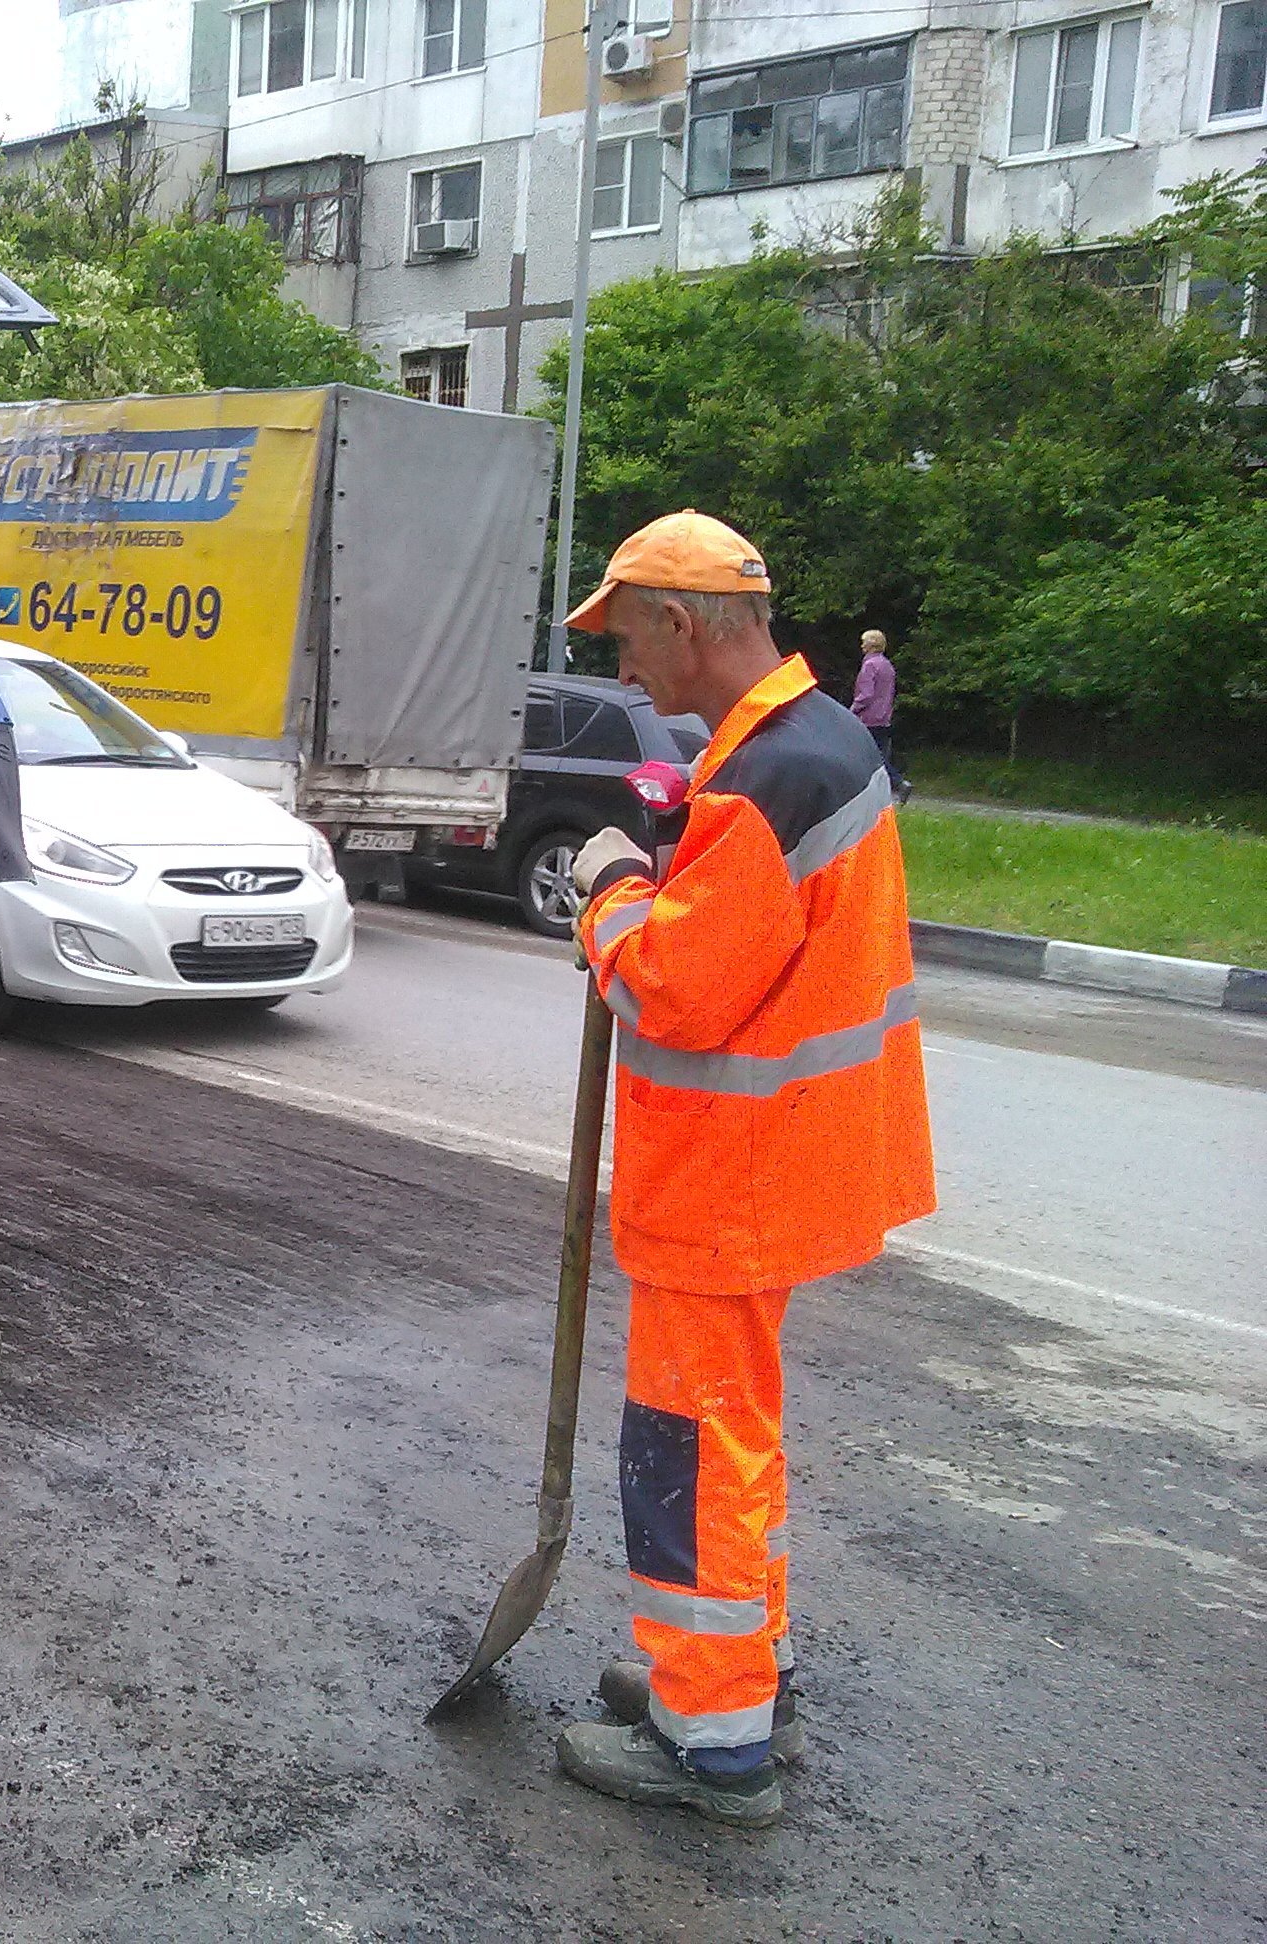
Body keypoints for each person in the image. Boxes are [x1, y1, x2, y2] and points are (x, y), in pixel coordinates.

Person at [553, 510, 936, 1829]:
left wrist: (608, 895)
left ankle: (710, 1742)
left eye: (627, 641)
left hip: (729, 1191)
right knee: (734, 1446)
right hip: (776, 1175)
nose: (625, 673)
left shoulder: (771, 777)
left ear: (687, 622)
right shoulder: (814, 743)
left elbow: (673, 991)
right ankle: (736, 1670)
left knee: (689, 1458)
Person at [850, 628, 906, 796]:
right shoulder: (887, 665)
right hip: (884, 717)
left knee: (870, 756)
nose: (861, 646)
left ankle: (897, 782)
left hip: (868, 718)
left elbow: (866, 694)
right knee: (880, 755)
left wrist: (852, 710)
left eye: (863, 642)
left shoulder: (869, 665)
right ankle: (883, 788)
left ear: (869, 645)